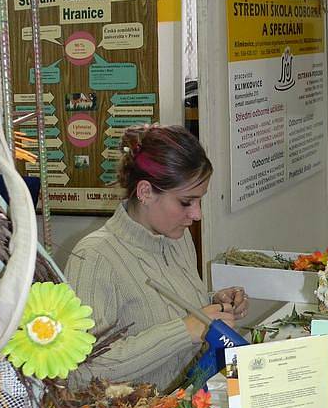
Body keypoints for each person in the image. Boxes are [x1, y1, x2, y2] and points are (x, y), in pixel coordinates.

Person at [65, 125, 249, 390]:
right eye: (186, 202)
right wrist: (185, 330)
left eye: (200, 201)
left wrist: (213, 305)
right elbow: (82, 373)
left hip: (190, 406)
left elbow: (158, 308)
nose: (197, 215)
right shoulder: (94, 258)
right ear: (145, 192)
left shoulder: (177, 236)